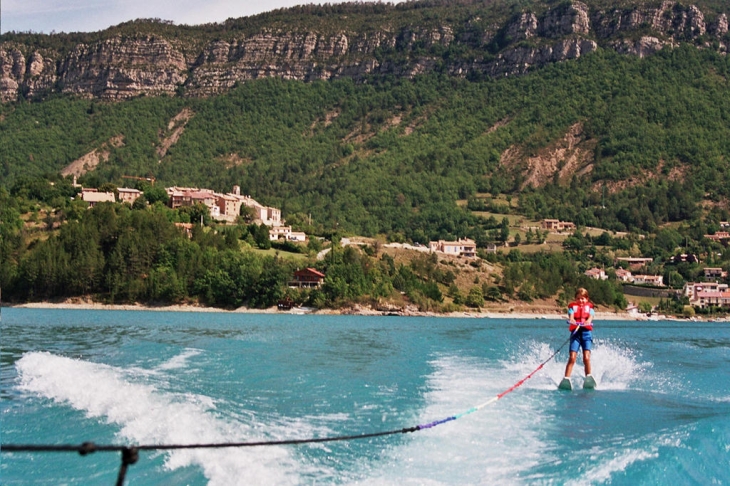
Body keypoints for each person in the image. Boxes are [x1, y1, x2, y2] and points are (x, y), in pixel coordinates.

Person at [564, 287, 594, 380]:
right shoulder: (572, 308)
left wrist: (588, 321)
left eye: (582, 298)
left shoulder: (590, 308)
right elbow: (571, 315)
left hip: (586, 333)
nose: (580, 300)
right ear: (575, 299)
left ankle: (588, 377)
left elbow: (591, 315)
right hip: (575, 333)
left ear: (586, 299)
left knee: (586, 357)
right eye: (578, 298)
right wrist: (572, 319)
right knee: (572, 357)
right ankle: (566, 378)